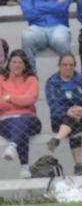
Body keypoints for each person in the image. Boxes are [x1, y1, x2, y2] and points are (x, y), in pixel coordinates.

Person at [20, 0, 72, 74]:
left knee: (61, 39)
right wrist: (55, 4)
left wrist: (38, 7)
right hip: (37, 28)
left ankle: (68, 78)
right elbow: (28, 14)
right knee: (26, 37)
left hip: (59, 27)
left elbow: (63, 8)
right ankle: (31, 77)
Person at [45, 54, 82, 175]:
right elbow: (53, 105)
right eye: (65, 65)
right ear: (59, 66)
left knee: (75, 120)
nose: (68, 67)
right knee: (73, 123)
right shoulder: (52, 81)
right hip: (59, 119)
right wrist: (67, 111)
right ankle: (78, 166)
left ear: (75, 66)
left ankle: (57, 139)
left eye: (71, 65)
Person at [0, 50, 41, 179]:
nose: (17, 65)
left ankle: (13, 147)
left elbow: (30, 99)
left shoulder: (31, 80)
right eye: (14, 62)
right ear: (8, 63)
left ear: (25, 65)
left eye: (20, 62)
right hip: (6, 122)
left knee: (22, 121)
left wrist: (9, 98)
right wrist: (21, 101)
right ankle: (24, 166)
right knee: (20, 127)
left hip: (30, 120)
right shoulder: (1, 79)